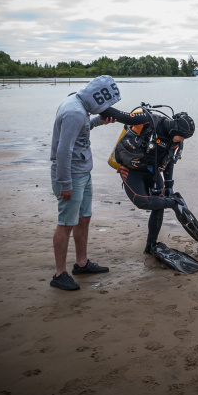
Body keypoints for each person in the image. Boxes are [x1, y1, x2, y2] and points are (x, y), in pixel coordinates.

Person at [50, 75, 122, 290]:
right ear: (96, 97)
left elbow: (80, 132)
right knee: (66, 223)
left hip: (82, 172)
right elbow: (64, 150)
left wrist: (99, 121)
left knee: (84, 218)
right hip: (70, 175)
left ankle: (81, 264)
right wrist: (65, 183)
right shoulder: (74, 111)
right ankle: (59, 274)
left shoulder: (78, 104)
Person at [111, 108, 195, 255]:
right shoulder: (149, 121)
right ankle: (173, 203)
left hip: (153, 172)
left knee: (159, 203)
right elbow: (121, 116)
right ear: (176, 129)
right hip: (131, 170)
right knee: (141, 201)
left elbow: (169, 161)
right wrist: (96, 107)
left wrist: (169, 185)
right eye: (182, 137)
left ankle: (151, 245)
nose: (183, 141)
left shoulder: (175, 139)